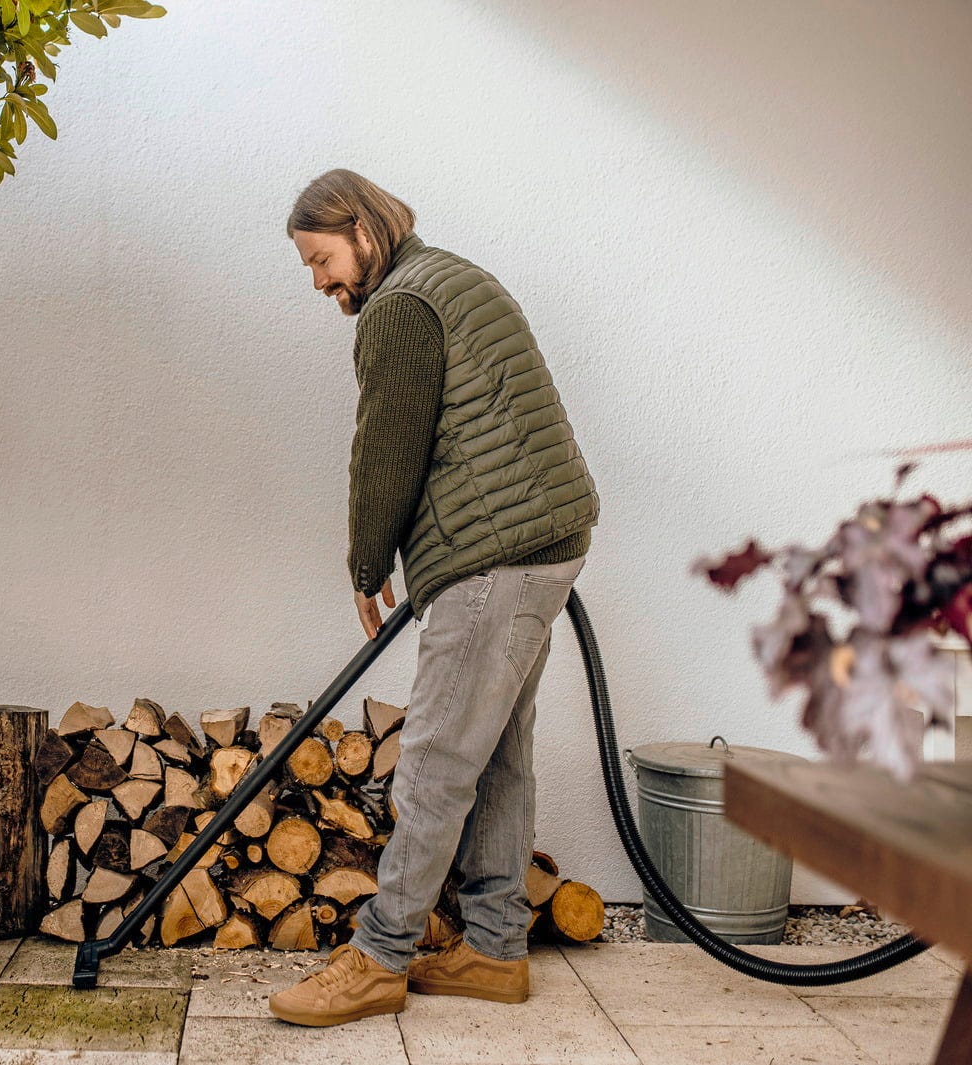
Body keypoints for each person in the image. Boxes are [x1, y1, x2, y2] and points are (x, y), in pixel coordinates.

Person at [268, 170, 600, 1027]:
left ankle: (379, 957)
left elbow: (387, 443)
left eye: (322, 259)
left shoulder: (401, 306)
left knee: (435, 759)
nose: (320, 281)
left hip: (496, 554)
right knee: (497, 755)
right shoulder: (451, 275)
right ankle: (493, 947)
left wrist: (366, 560)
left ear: (361, 228)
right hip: (542, 541)